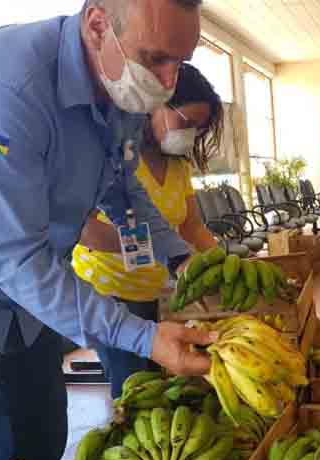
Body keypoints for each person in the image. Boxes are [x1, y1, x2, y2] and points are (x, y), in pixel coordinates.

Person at [0, 1, 215, 460]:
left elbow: (121, 186)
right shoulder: (6, 87)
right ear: (98, 25)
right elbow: (14, 257)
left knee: (41, 453)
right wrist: (143, 338)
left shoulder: (119, 87)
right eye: (157, 57)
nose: (167, 80)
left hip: (25, 308)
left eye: (180, 61)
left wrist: (178, 255)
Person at [74, 63, 222, 398]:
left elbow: (192, 227)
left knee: (156, 385)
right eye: (186, 123)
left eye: (199, 129)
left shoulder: (178, 167)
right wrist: (139, 244)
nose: (192, 134)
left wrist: (221, 264)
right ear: (156, 105)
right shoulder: (119, 158)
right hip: (107, 290)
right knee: (133, 389)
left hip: (149, 291)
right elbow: (84, 229)